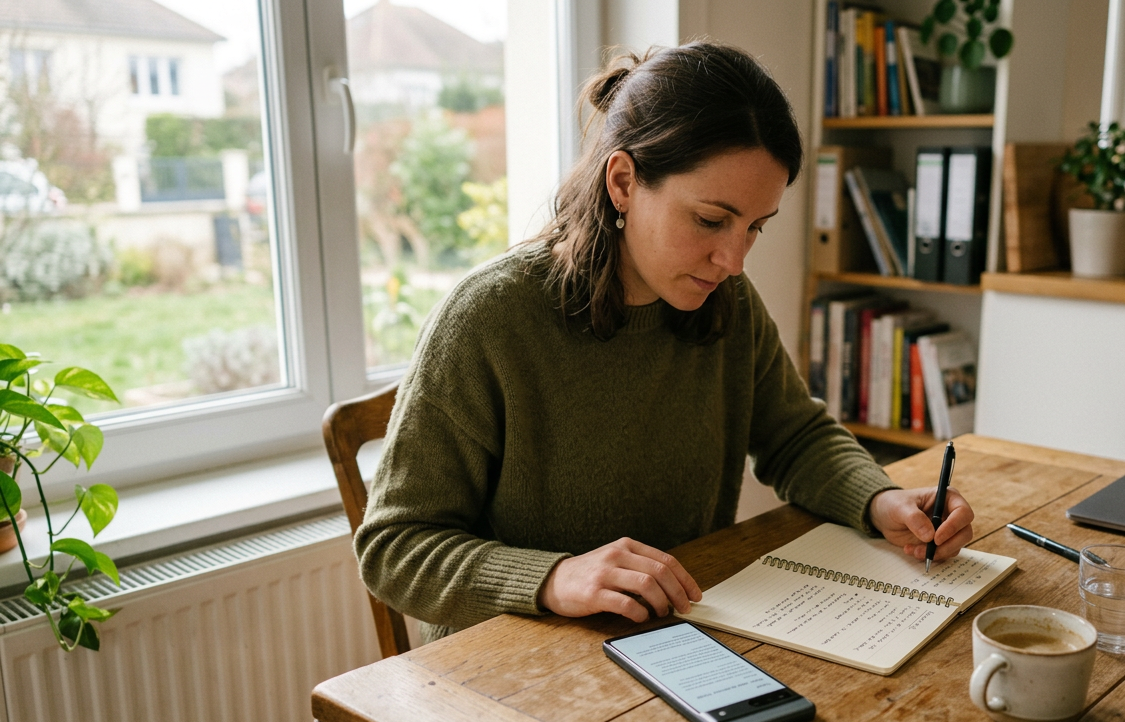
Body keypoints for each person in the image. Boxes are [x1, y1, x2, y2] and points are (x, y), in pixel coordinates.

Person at [355, 42, 975, 645]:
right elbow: (394, 548)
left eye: (755, 227)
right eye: (710, 220)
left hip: (674, 638)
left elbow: (795, 437)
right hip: (507, 665)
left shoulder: (724, 302)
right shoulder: (489, 319)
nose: (733, 259)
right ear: (622, 181)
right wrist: (554, 577)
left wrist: (879, 498)